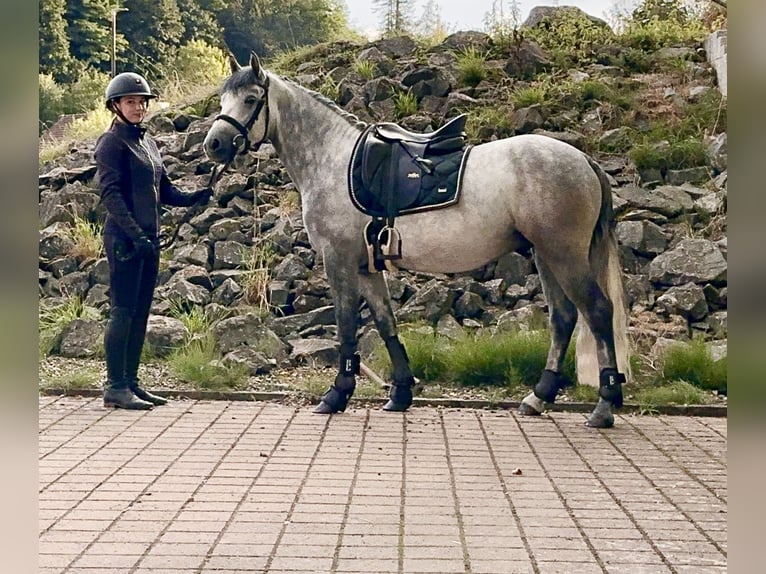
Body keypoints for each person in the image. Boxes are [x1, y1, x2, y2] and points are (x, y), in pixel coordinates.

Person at [95, 72, 213, 410]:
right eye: (130, 102)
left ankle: (131, 382)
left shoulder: (147, 143)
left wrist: (193, 197)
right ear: (116, 105)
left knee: (141, 312)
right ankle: (115, 386)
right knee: (123, 311)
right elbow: (111, 195)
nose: (137, 107)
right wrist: (135, 234)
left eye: (141, 101)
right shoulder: (111, 143)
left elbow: (164, 191)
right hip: (125, 240)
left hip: (149, 240)